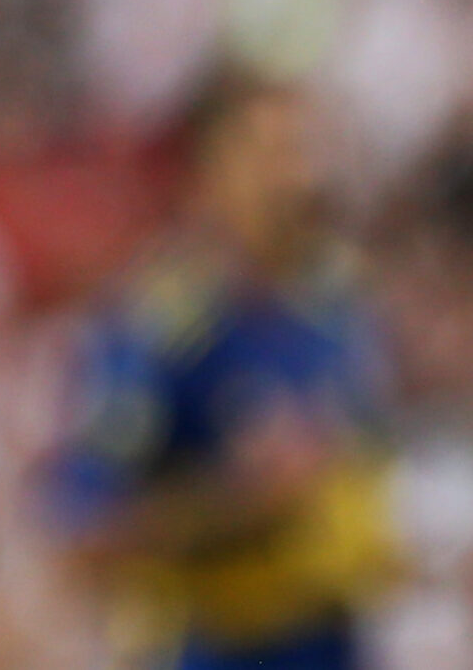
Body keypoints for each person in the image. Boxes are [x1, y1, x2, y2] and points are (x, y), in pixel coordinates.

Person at [45, 72, 402, 670]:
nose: (299, 177)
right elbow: (79, 533)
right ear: (207, 176)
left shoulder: (341, 304)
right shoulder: (161, 329)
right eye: (272, 155)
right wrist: (236, 505)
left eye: (308, 151)